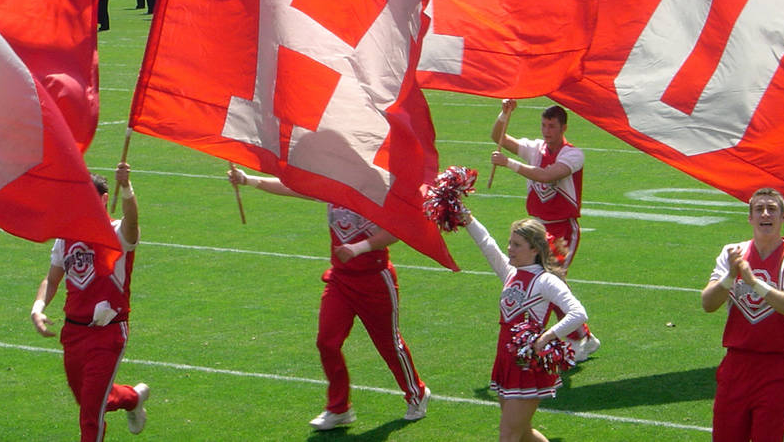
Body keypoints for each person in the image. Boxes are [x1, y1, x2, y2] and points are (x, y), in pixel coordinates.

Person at [226, 168, 430, 431]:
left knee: (388, 343)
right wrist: (249, 180)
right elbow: (294, 187)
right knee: (327, 342)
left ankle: (417, 393)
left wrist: (358, 248)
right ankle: (339, 408)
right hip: (340, 280)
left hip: (375, 281)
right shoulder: (333, 184)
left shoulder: (375, 191)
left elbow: (397, 231)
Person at [30, 163, 149, 441]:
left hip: (107, 334)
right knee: (90, 402)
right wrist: (38, 308)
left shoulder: (117, 232)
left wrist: (127, 188)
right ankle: (132, 398)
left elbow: (132, 223)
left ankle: (128, 401)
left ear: (104, 199)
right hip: (73, 333)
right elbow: (52, 279)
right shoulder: (65, 238)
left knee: (89, 418)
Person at [700, 188, 784, 442]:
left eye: (772, 209)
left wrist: (755, 284)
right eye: (759, 209)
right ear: (750, 217)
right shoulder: (733, 253)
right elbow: (707, 303)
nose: (766, 214)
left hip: (776, 366)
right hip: (735, 364)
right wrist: (731, 277)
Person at [459, 215, 586, 442]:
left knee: (508, 434)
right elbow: (487, 243)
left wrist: (547, 336)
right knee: (523, 433)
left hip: (527, 365)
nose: (510, 249)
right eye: (510, 243)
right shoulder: (511, 273)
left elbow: (578, 313)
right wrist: (467, 219)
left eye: (517, 245)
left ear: (535, 249)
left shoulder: (546, 281)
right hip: (506, 360)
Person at [490, 100, 598, 360]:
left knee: (550, 282)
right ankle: (582, 337)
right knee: (546, 282)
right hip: (538, 228)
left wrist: (510, 164)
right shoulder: (536, 148)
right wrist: (504, 114)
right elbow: (498, 137)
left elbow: (547, 176)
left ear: (563, 128)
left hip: (562, 229)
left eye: (552, 126)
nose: (547, 131)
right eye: (544, 125)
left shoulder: (573, 155)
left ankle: (547, 339)